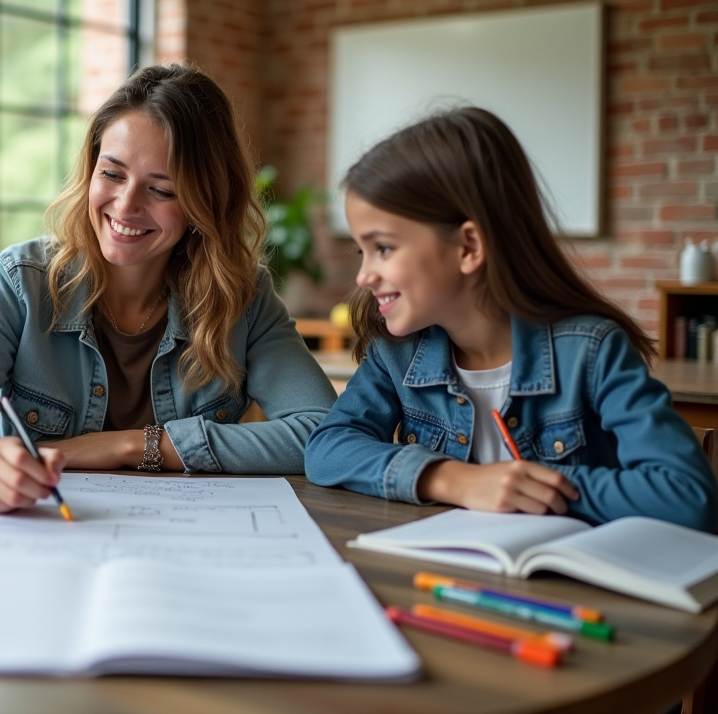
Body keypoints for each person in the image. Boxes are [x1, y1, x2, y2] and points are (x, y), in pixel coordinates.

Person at [0, 63, 336, 511]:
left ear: (206, 202)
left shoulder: (243, 296)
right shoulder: (22, 282)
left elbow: (322, 432)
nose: (125, 205)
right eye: (112, 174)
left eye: (161, 190)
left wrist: (128, 446)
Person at [305, 107, 718, 531]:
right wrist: (452, 479)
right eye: (362, 251)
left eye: (384, 248)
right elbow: (327, 449)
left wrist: (530, 488)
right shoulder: (396, 353)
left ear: (468, 246)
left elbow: (688, 496)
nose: (363, 275)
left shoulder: (591, 350)